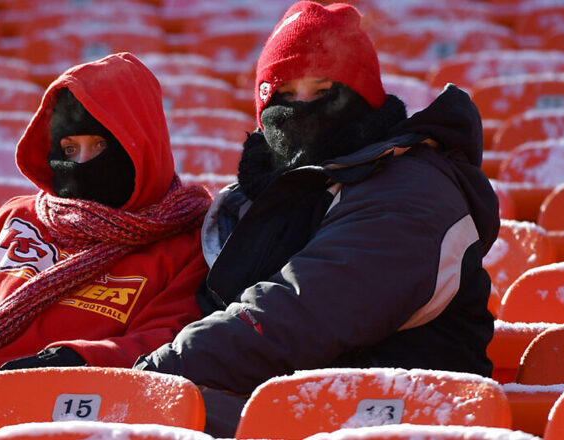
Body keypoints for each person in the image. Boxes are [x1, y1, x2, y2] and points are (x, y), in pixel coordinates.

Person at [135, 1, 500, 436]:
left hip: (404, 419)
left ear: (364, 98)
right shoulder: (257, 203)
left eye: (324, 91)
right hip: (296, 410)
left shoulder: (412, 186)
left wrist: (156, 371)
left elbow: (303, 311)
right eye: (285, 95)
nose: (302, 110)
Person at [0, 52, 212, 437]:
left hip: (71, 419)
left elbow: (162, 344)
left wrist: (64, 365)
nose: (81, 163)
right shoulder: (5, 223)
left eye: (99, 145)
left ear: (141, 145)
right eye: (68, 149)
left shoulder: (185, 243)